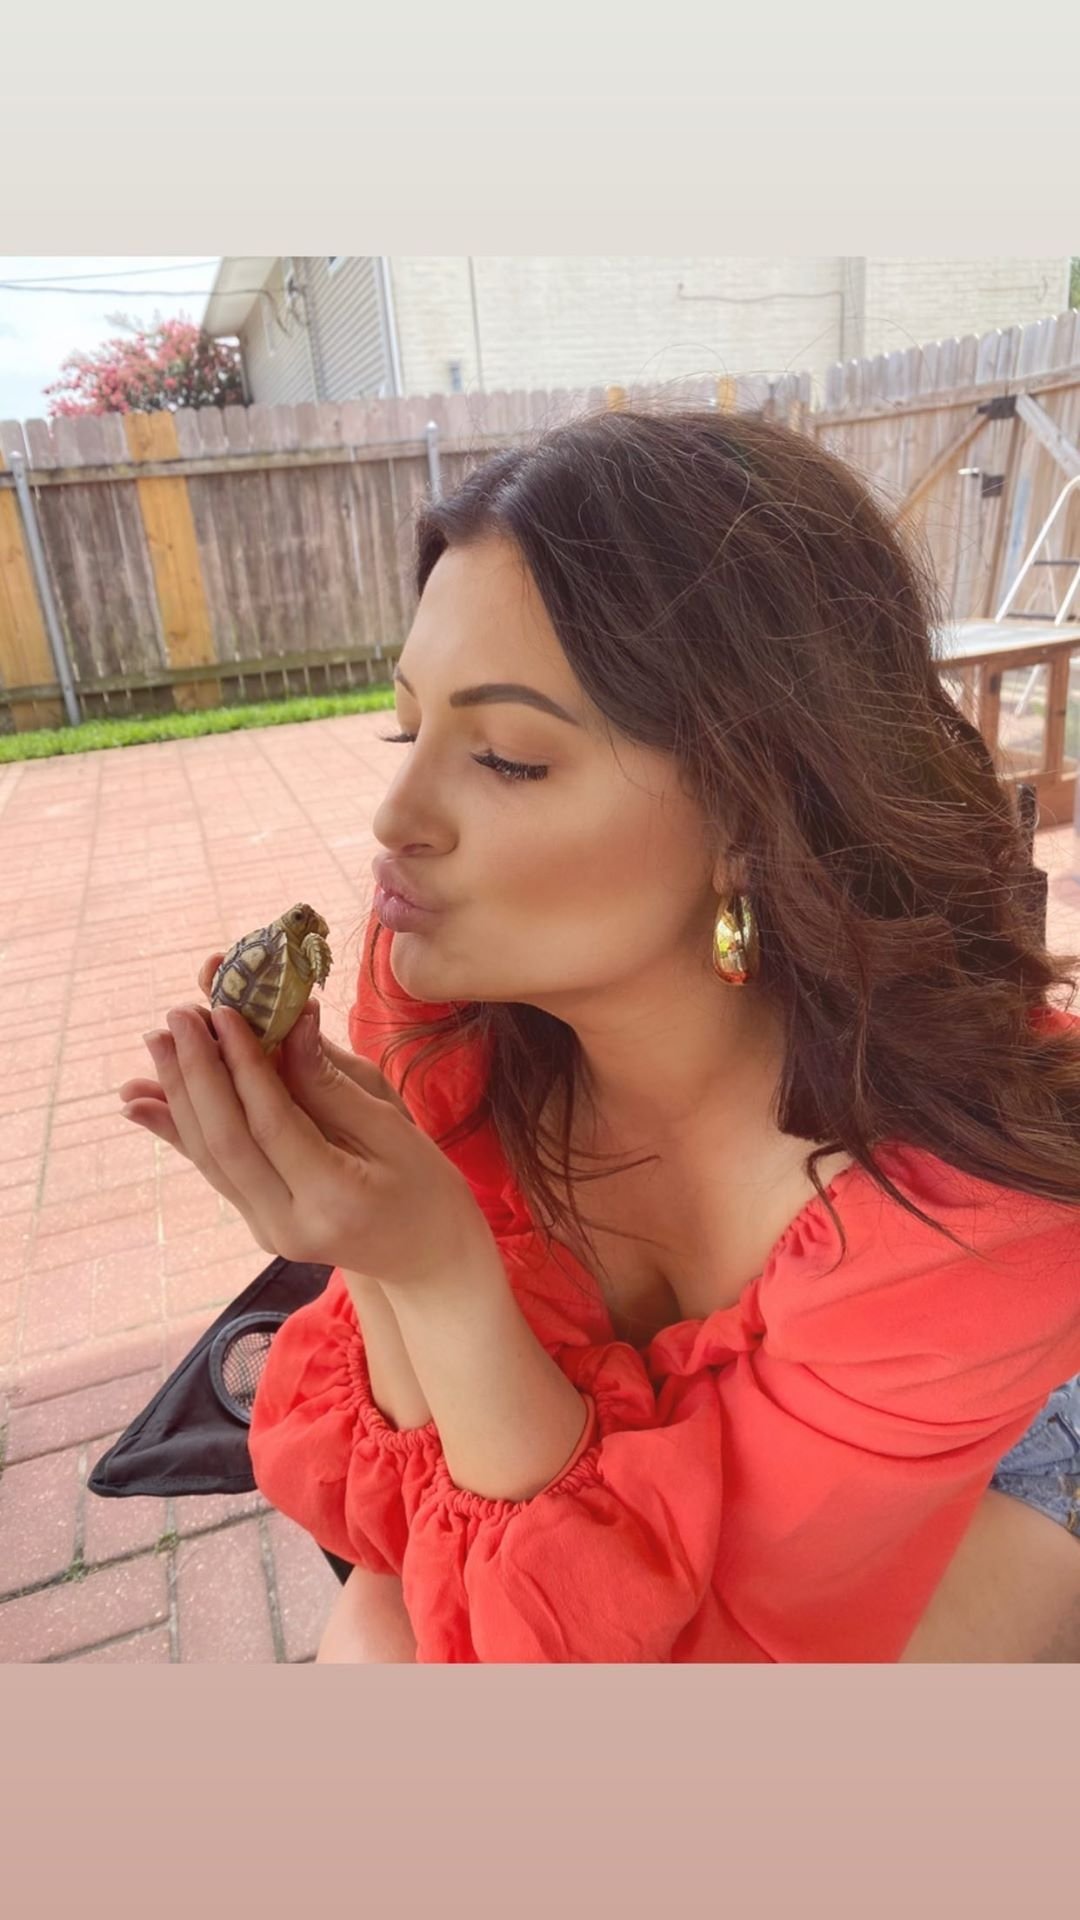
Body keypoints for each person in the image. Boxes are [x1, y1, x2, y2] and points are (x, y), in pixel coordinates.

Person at [246, 406, 1080, 1662]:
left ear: (754, 814)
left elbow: (661, 1658)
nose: (395, 815)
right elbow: (417, 1516)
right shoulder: (444, 1015)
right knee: (378, 1647)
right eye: (407, 728)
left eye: (508, 757)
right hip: (605, 1489)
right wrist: (382, 1252)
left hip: (982, 1446)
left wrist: (439, 1269)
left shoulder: (967, 1218)